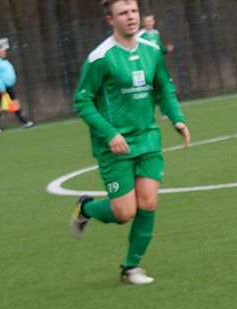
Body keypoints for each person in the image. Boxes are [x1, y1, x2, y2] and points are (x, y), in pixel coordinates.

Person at [70, 0, 190, 285]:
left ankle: (131, 268)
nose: (131, 17)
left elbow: (164, 88)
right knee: (125, 213)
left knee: (148, 202)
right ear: (110, 20)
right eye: (123, 13)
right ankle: (85, 209)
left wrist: (177, 118)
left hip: (148, 139)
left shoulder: (151, 50)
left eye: (134, 11)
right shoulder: (100, 58)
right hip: (115, 146)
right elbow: (82, 101)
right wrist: (110, 133)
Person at [0, 38, 34, 134]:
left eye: (5, 51)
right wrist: (1, 89)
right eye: (3, 51)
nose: (5, 53)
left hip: (8, 87)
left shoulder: (4, 61)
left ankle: (25, 121)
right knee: (2, 107)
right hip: (1, 88)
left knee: (11, 104)